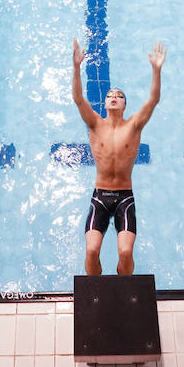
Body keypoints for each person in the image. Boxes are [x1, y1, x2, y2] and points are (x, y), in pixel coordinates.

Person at [72, 39, 166, 275]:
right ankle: (97, 290)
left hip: (125, 197)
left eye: (119, 96)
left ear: (124, 105)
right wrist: (76, 68)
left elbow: (153, 100)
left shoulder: (133, 125)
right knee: (91, 251)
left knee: (125, 252)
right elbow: (78, 98)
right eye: (110, 95)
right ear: (104, 103)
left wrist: (156, 70)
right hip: (100, 197)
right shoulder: (95, 123)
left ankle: (123, 288)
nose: (114, 97)